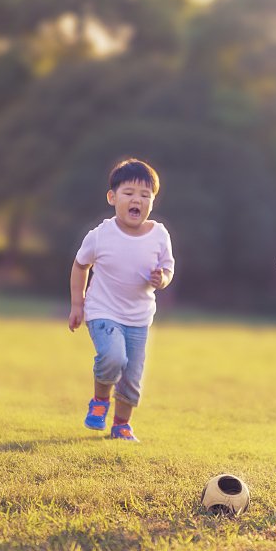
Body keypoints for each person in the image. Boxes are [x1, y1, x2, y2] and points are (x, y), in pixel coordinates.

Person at [68, 159, 175, 442]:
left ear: (153, 201)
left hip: (139, 318)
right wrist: (78, 305)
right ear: (112, 197)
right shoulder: (101, 235)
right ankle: (100, 401)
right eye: (128, 193)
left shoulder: (159, 235)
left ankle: (121, 426)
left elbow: (167, 269)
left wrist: (161, 279)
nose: (136, 200)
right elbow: (80, 265)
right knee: (113, 357)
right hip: (102, 310)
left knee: (131, 378)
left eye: (144, 195)